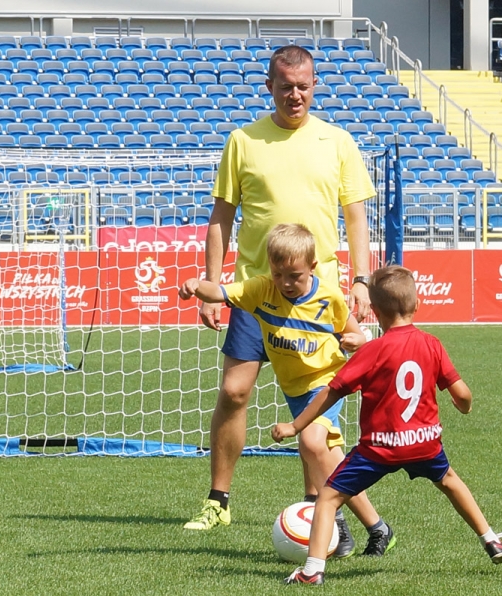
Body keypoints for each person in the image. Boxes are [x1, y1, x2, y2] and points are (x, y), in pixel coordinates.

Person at [184, 43, 376, 554]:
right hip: (255, 294)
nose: (295, 94)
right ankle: (217, 500)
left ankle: (320, 510)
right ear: (269, 86)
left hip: (317, 298)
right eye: (285, 85)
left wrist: (361, 280)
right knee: (236, 389)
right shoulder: (243, 141)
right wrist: (211, 287)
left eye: (304, 85)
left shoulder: (337, 142)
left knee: (312, 410)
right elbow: (221, 218)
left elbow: (356, 217)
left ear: (315, 86)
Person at [272, 266, 502, 585]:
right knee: (450, 481)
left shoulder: (372, 351)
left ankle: (312, 570)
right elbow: (462, 393)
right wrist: (463, 405)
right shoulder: (431, 344)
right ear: (417, 305)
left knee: (328, 496)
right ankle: (490, 539)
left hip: (380, 448)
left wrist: (295, 426)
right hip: (424, 443)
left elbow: (332, 391)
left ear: (374, 311)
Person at [180, 224, 394, 557]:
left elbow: (356, 334)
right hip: (294, 390)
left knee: (311, 443)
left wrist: (359, 341)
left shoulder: (328, 298)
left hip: (327, 383)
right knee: (329, 460)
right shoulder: (261, 290)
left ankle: (339, 520)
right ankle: (377, 528)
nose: (286, 283)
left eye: (294, 275)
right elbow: (220, 293)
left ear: (312, 267)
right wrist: (196, 286)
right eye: (278, 275)